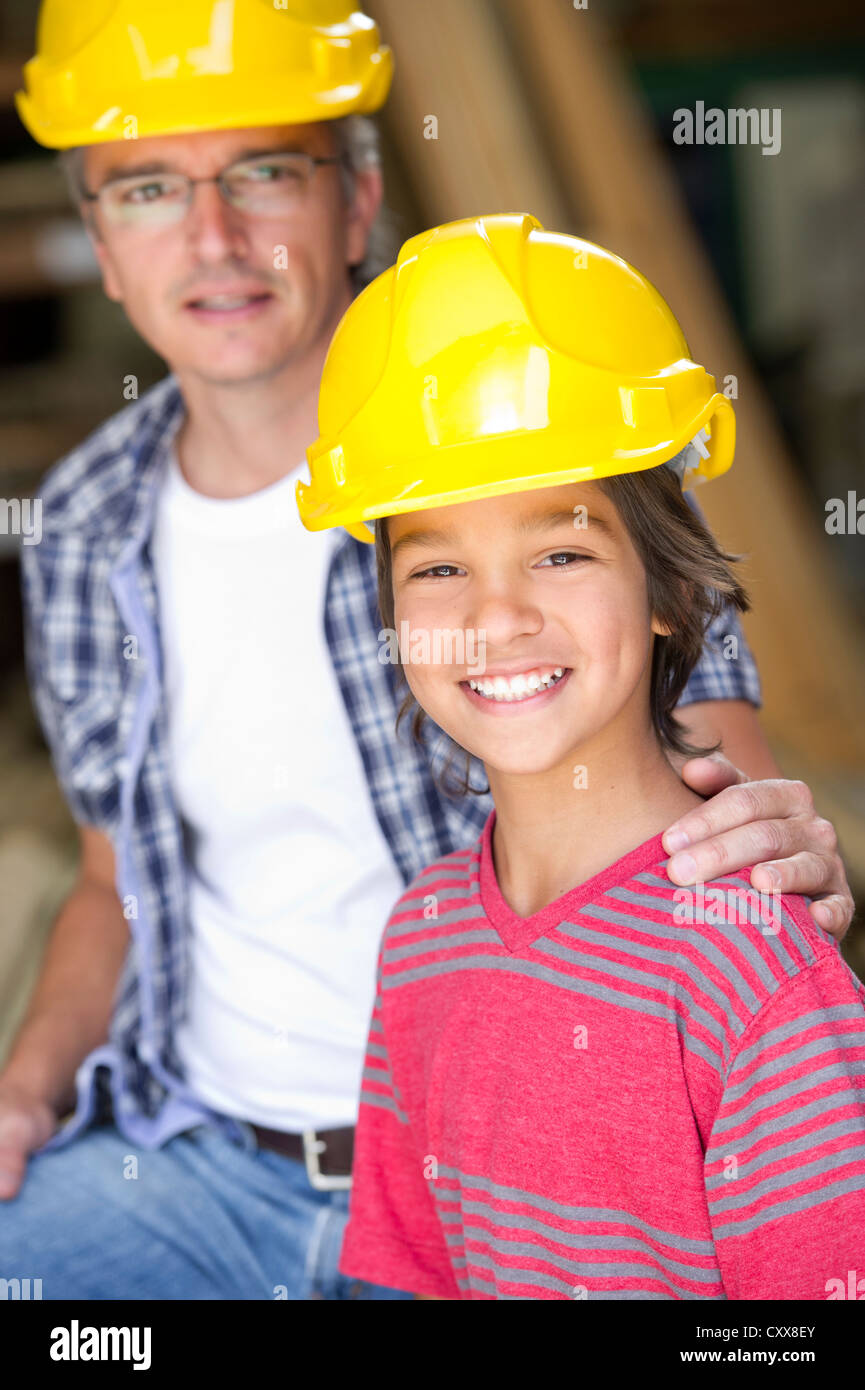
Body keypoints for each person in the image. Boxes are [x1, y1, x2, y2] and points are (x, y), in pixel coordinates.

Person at [0, 2, 854, 1300]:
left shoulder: (514, 416)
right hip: (199, 1165)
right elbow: (110, 879)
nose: (214, 237)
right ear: (101, 241)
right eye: (152, 187)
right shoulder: (79, 526)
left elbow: (703, 787)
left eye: (265, 171)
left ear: (358, 198)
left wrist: (772, 876)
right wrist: (23, 1094)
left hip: (497, 1184)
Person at [294, 214, 865, 1300]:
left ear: (669, 589)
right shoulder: (419, 937)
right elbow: (418, 1278)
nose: (497, 616)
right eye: (437, 569)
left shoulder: (755, 973)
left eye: (560, 551)